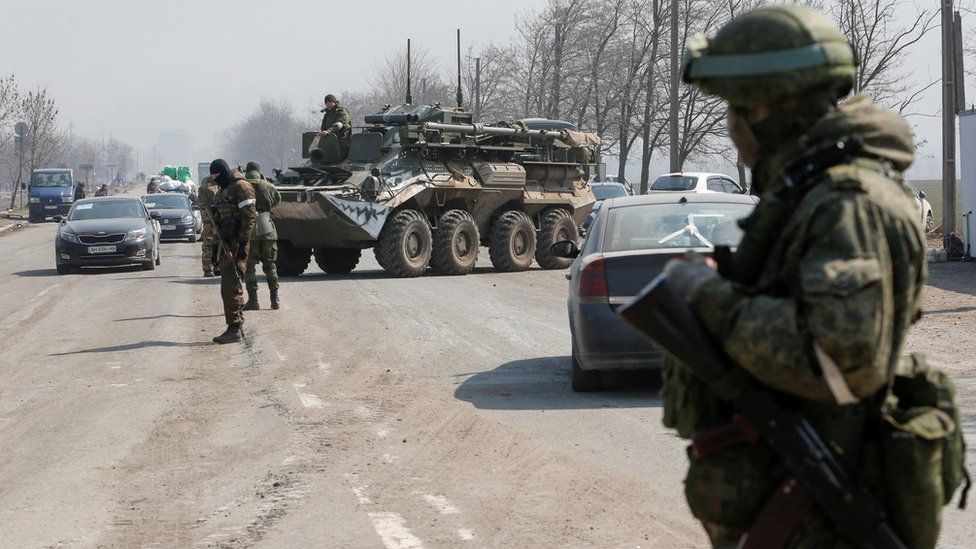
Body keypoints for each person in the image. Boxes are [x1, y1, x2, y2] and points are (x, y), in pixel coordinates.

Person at [660, 5, 935, 546]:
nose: (731, 124)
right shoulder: (812, 195)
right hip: (795, 509)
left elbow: (836, 358)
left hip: (821, 518)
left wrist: (709, 295)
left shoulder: (846, 203)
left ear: (767, 109)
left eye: (736, 107)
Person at [209, 159, 256, 344]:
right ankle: (233, 325)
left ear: (223, 172)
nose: (214, 179)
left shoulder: (241, 187)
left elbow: (250, 216)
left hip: (236, 244)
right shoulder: (223, 189)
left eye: (216, 176)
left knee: (232, 286)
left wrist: (243, 244)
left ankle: (235, 328)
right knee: (227, 287)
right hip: (226, 242)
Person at [242, 161, 282, 311]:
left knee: (249, 267)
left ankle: (253, 300)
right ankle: (274, 299)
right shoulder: (268, 186)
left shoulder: (242, 185)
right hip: (267, 228)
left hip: (249, 229)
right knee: (270, 265)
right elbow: (277, 200)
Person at [197, 175, 220, 277]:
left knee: (220, 244)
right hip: (210, 220)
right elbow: (203, 205)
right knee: (208, 244)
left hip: (222, 219)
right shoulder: (206, 186)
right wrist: (207, 222)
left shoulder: (223, 183)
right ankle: (208, 268)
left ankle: (218, 267)